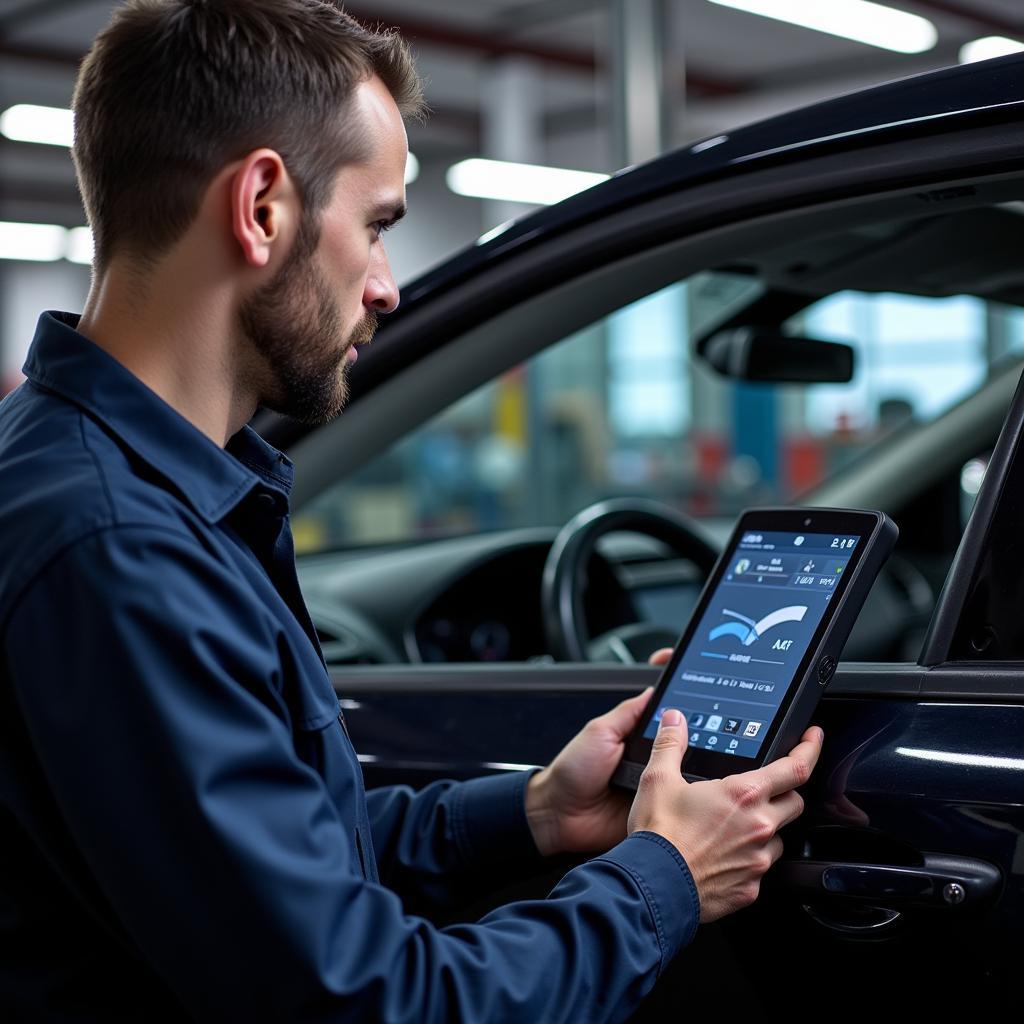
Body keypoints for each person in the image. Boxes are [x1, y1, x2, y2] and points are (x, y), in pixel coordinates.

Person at [0, 2, 822, 1020]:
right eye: (378, 225)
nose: (387, 287)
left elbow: (275, 860)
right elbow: (370, 1003)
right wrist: (662, 877)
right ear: (261, 206)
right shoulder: (120, 549)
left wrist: (531, 813)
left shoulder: (108, 486)